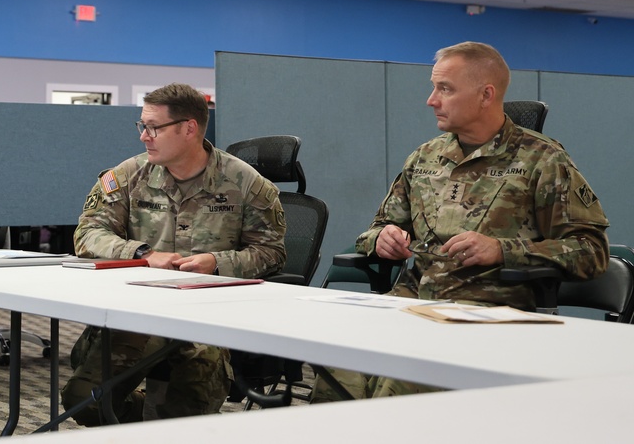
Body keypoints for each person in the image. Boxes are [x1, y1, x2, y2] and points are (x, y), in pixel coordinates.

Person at [314, 41, 610, 401]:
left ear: (486, 95)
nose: (431, 100)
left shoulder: (543, 160)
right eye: (434, 87)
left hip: (488, 313)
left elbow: (590, 252)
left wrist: (502, 251)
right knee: (334, 364)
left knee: (399, 383)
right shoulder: (426, 157)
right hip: (411, 304)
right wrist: (382, 239)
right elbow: (376, 228)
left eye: (445, 89)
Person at [61, 83, 286, 425]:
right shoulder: (127, 176)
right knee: (85, 401)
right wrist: (141, 253)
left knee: (186, 419)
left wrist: (217, 263)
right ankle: (142, 420)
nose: (144, 137)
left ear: (188, 128)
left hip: (210, 318)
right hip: (141, 311)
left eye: (154, 127)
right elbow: (88, 233)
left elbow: (271, 253)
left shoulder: (246, 185)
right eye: (142, 126)